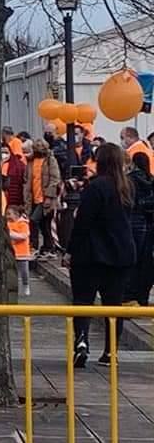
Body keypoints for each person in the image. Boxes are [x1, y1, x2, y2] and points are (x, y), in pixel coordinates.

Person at [67, 143, 136, 368]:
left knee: (83, 300)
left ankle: (81, 340)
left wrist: (70, 250)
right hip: (121, 254)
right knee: (113, 305)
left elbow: (83, 222)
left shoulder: (96, 187)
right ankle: (110, 351)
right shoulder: (127, 187)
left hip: (91, 253)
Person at [24, 139, 61, 257]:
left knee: (35, 221)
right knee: (44, 225)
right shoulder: (31, 161)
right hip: (33, 197)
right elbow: (27, 179)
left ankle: (35, 246)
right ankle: (47, 247)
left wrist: (49, 197)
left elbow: (55, 179)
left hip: (45, 198)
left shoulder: (50, 161)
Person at [126, 153, 154, 306]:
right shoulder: (150, 179)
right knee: (145, 262)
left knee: (132, 260)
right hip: (147, 224)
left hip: (132, 221)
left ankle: (130, 295)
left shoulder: (129, 180)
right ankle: (141, 296)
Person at [6, 205, 32, 297]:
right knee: (11, 272)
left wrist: (11, 234)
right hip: (11, 252)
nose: (8, 216)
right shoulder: (7, 224)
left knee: (24, 272)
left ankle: (26, 285)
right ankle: (12, 288)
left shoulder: (23, 223)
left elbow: (24, 235)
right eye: (7, 214)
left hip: (22, 253)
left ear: (16, 214)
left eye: (9, 214)